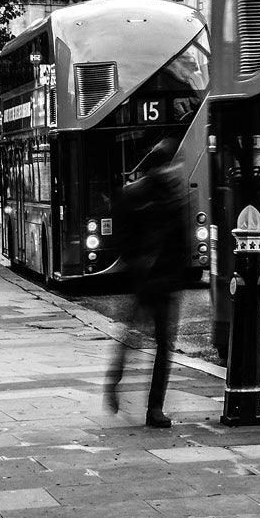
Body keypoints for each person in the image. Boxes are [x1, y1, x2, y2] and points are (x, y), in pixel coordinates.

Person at [103, 138, 193, 430]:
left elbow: (182, 239)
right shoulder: (136, 195)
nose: (169, 171)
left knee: (161, 345)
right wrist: (138, 265)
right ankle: (118, 382)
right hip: (146, 280)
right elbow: (124, 236)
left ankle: (155, 407)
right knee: (137, 339)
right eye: (166, 166)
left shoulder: (172, 195)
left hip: (162, 280)